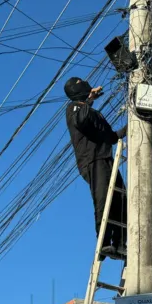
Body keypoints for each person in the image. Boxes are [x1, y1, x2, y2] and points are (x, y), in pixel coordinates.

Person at [64, 76, 127, 260]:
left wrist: (131, 126)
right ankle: (104, 242)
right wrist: (89, 100)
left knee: (121, 197)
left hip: (105, 158)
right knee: (103, 197)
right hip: (92, 160)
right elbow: (81, 121)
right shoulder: (74, 108)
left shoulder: (94, 114)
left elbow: (111, 138)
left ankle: (120, 243)